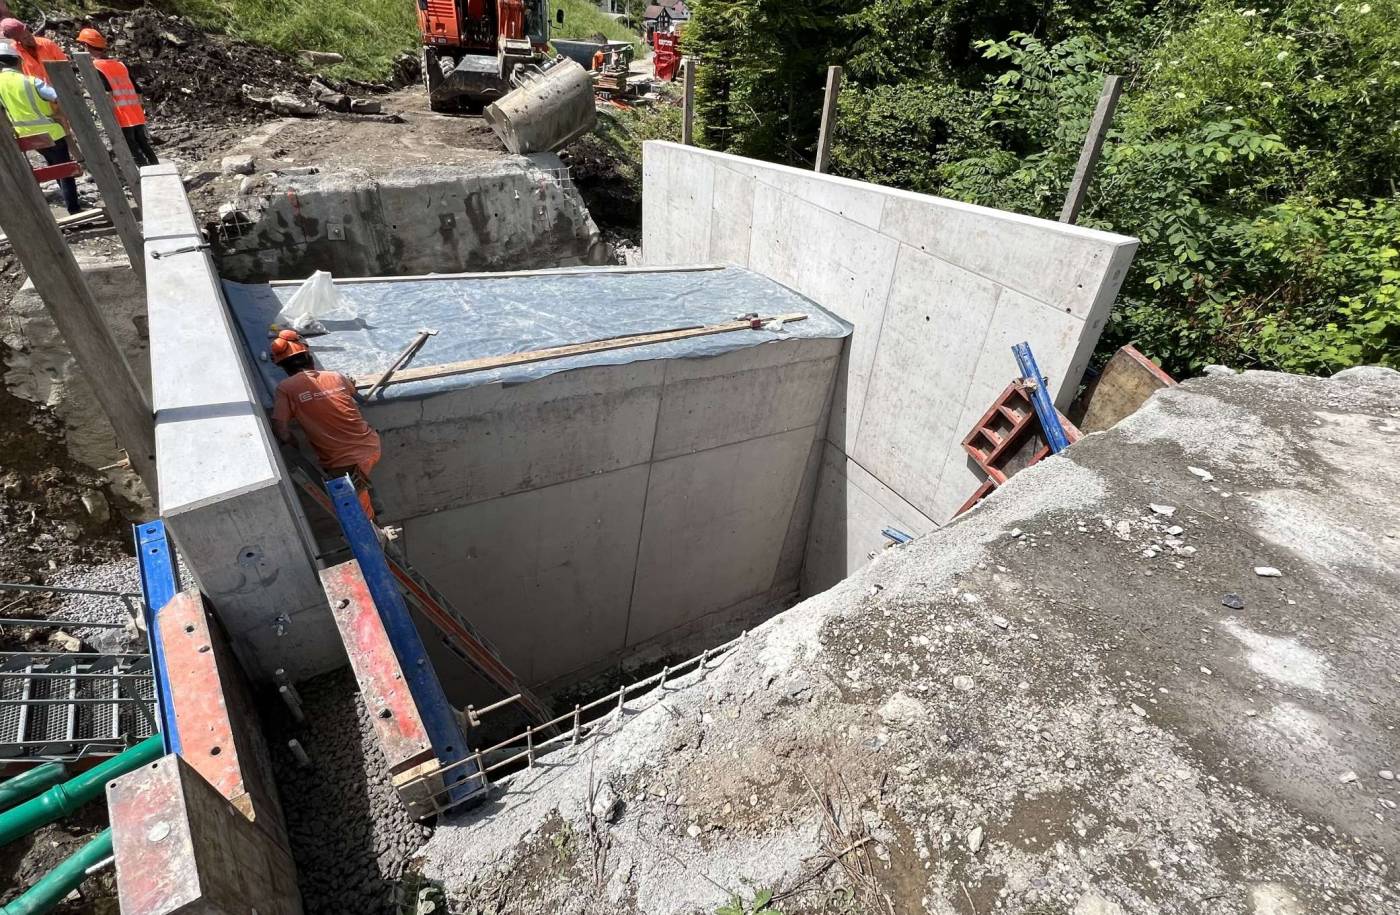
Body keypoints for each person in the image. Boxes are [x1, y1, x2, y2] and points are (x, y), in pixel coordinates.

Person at [269, 330, 383, 520]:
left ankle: (373, 528)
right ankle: (371, 500)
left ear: (283, 366)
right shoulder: (336, 377)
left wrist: (293, 444)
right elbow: (352, 393)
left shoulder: (286, 388)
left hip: (343, 460)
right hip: (371, 446)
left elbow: (280, 429)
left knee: (358, 510)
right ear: (308, 355)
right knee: (359, 478)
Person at [0, 39, 82, 214]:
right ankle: (74, 209)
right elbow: (59, 97)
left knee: (53, 166)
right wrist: (59, 114)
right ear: (18, 61)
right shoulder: (31, 82)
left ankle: (69, 201)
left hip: (26, 136)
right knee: (64, 170)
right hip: (51, 132)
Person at [75, 27, 156, 166]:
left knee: (132, 149)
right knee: (143, 143)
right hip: (135, 113)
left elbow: (108, 94)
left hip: (121, 115)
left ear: (86, 45)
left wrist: (110, 118)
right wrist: (140, 110)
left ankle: (146, 176)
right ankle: (156, 167)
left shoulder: (95, 67)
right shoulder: (119, 64)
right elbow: (138, 91)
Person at [0, 18, 65, 81]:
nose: (31, 40)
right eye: (25, 38)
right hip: (36, 89)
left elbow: (65, 66)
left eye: (29, 35)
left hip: (59, 86)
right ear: (17, 40)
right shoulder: (14, 52)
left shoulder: (47, 44)